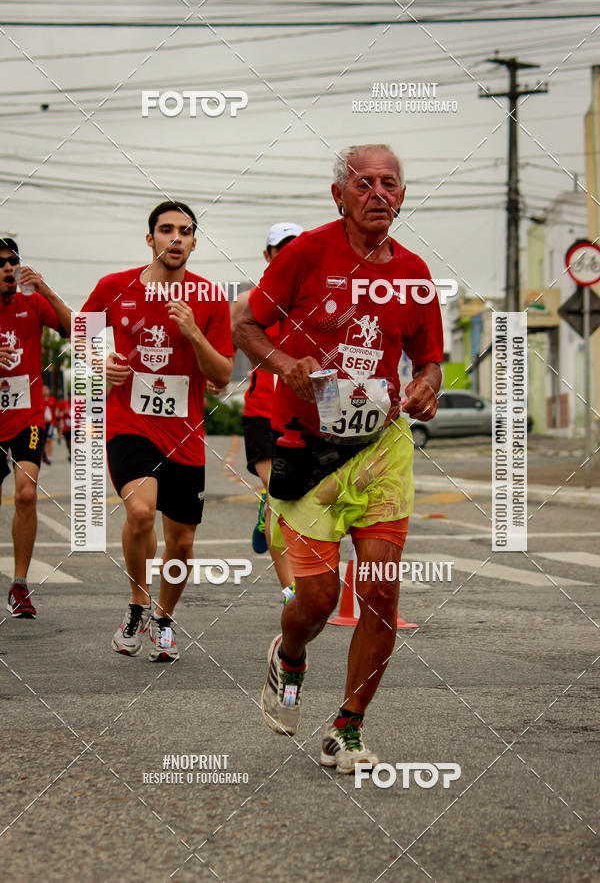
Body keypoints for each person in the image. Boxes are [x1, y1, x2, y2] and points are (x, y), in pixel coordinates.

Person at [234, 144, 443, 773]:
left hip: (381, 448)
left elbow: (430, 357)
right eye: (364, 183)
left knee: (380, 591)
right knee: (319, 598)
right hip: (305, 449)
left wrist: (428, 385)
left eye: (390, 183)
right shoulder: (305, 254)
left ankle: (347, 728)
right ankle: (290, 653)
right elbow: (247, 323)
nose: (378, 193)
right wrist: (283, 365)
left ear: (402, 196)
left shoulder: (414, 271)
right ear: (339, 196)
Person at [80, 201, 233, 662]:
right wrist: (98, 362)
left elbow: (223, 375)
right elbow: (82, 335)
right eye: (166, 230)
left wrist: (194, 333)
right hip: (130, 423)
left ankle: (164, 619)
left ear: (193, 241)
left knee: (182, 542)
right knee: (141, 513)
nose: (175, 238)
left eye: (185, 231)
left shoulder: (209, 298)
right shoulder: (114, 287)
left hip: (185, 433)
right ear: (150, 239)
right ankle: (137, 604)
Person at [229, 223, 302, 600]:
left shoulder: (319, 300)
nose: (288, 254)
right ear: (268, 255)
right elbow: (224, 342)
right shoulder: (248, 302)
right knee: (277, 494)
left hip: (303, 413)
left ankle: (266, 509)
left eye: (296, 247)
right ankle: (289, 587)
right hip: (262, 412)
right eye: (280, 249)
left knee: (296, 498)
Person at [0, 238, 71, 618]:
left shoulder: (32, 302)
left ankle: (20, 585)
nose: (9, 269)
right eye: (1, 264)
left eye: (13, 262)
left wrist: (46, 290)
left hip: (27, 416)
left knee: (26, 494)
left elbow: (80, 331)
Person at [42, 384, 56, 465]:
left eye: (46, 389)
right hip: (42, 422)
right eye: (43, 389)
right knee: (42, 441)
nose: (44, 391)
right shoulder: (40, 399)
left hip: (50, 422)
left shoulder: (52, 399)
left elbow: (55, 409)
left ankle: (50, 456)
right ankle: (44, 455)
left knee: (48, 439)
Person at [55, 394, 72, 460]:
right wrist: (63, 412)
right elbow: (57, 412)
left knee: (73, 441)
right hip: (67, 426)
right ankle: (70, 452)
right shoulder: (64, 403)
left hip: (75, 426)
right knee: (68, 442)